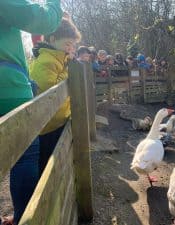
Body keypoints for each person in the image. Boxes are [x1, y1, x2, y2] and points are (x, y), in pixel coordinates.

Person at [0, 1, 62, 224]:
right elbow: (44, 21)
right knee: (25, 154)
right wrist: (54, 5)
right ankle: (25, 218)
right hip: (8, 87)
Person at [30, 16, 81, 177]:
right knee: (46, 167)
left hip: (58, 121)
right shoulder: (46, 60)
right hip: (47, 126)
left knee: (57, 161)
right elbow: (48, 92)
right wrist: (68, 71)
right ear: (52, 39)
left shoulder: (60, 58)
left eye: (72, 45)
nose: (70, 48)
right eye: (67, 44)